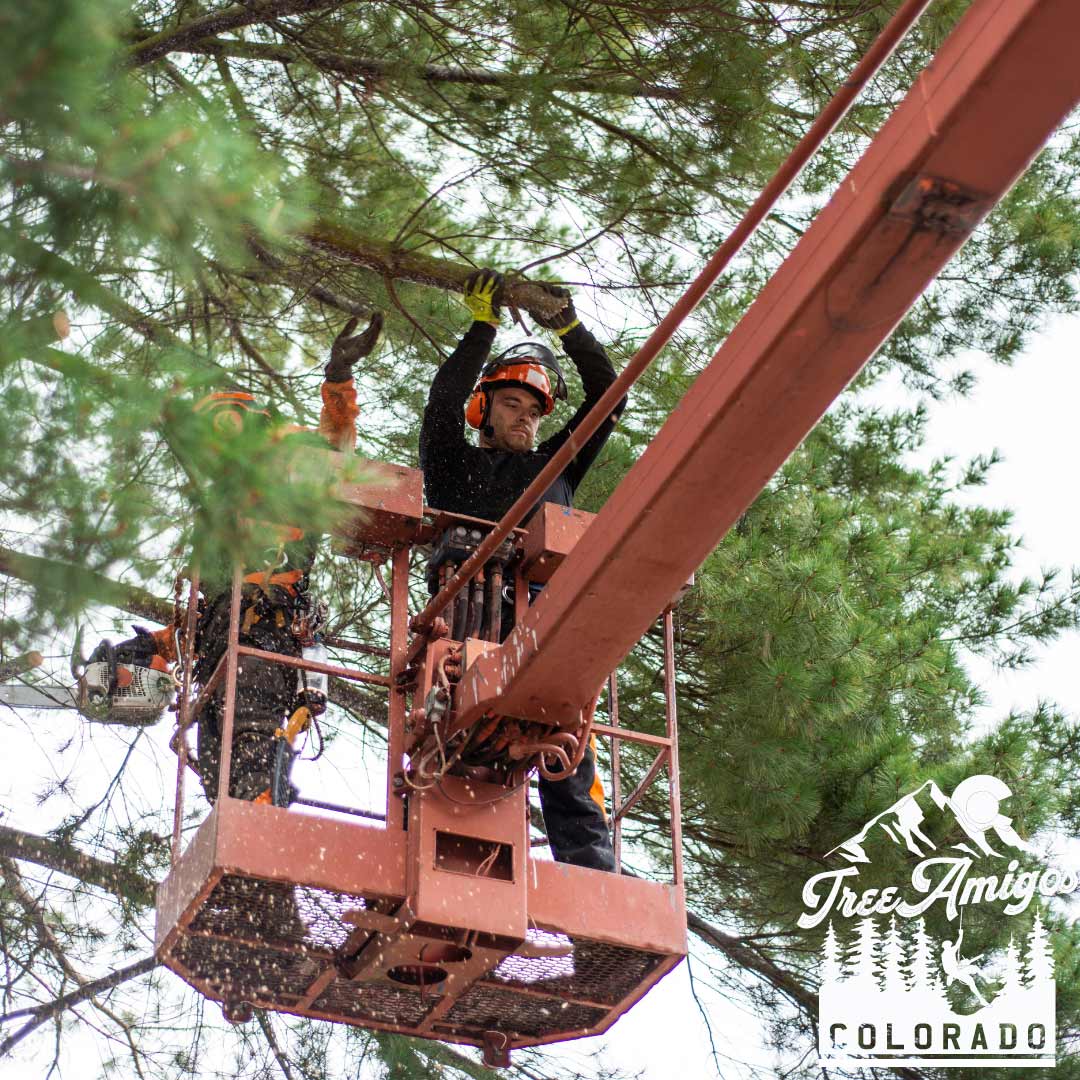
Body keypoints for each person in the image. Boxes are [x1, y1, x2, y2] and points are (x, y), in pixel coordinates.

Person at [99, 313, 382, 805]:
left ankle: (261, 821)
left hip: (263, 636)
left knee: (252, 749)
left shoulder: (291, 475)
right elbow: (205, 616)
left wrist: (338, 378)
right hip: (217, 652)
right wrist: (148, 650)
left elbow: (337, 448)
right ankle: (241, 832)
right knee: (218, 778)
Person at [419, 269, 625, 872]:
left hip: (543, 632)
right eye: (512, 404)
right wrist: (481, 327)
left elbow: (609, 395)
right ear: (482, 409)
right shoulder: (453, 465)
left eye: (535, 411)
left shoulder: (555, 467)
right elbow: (442, 401)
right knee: (439, 759)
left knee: (567, 752)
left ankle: (592, 874)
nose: (526, 419)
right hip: (463, 635)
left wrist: (570, 328)